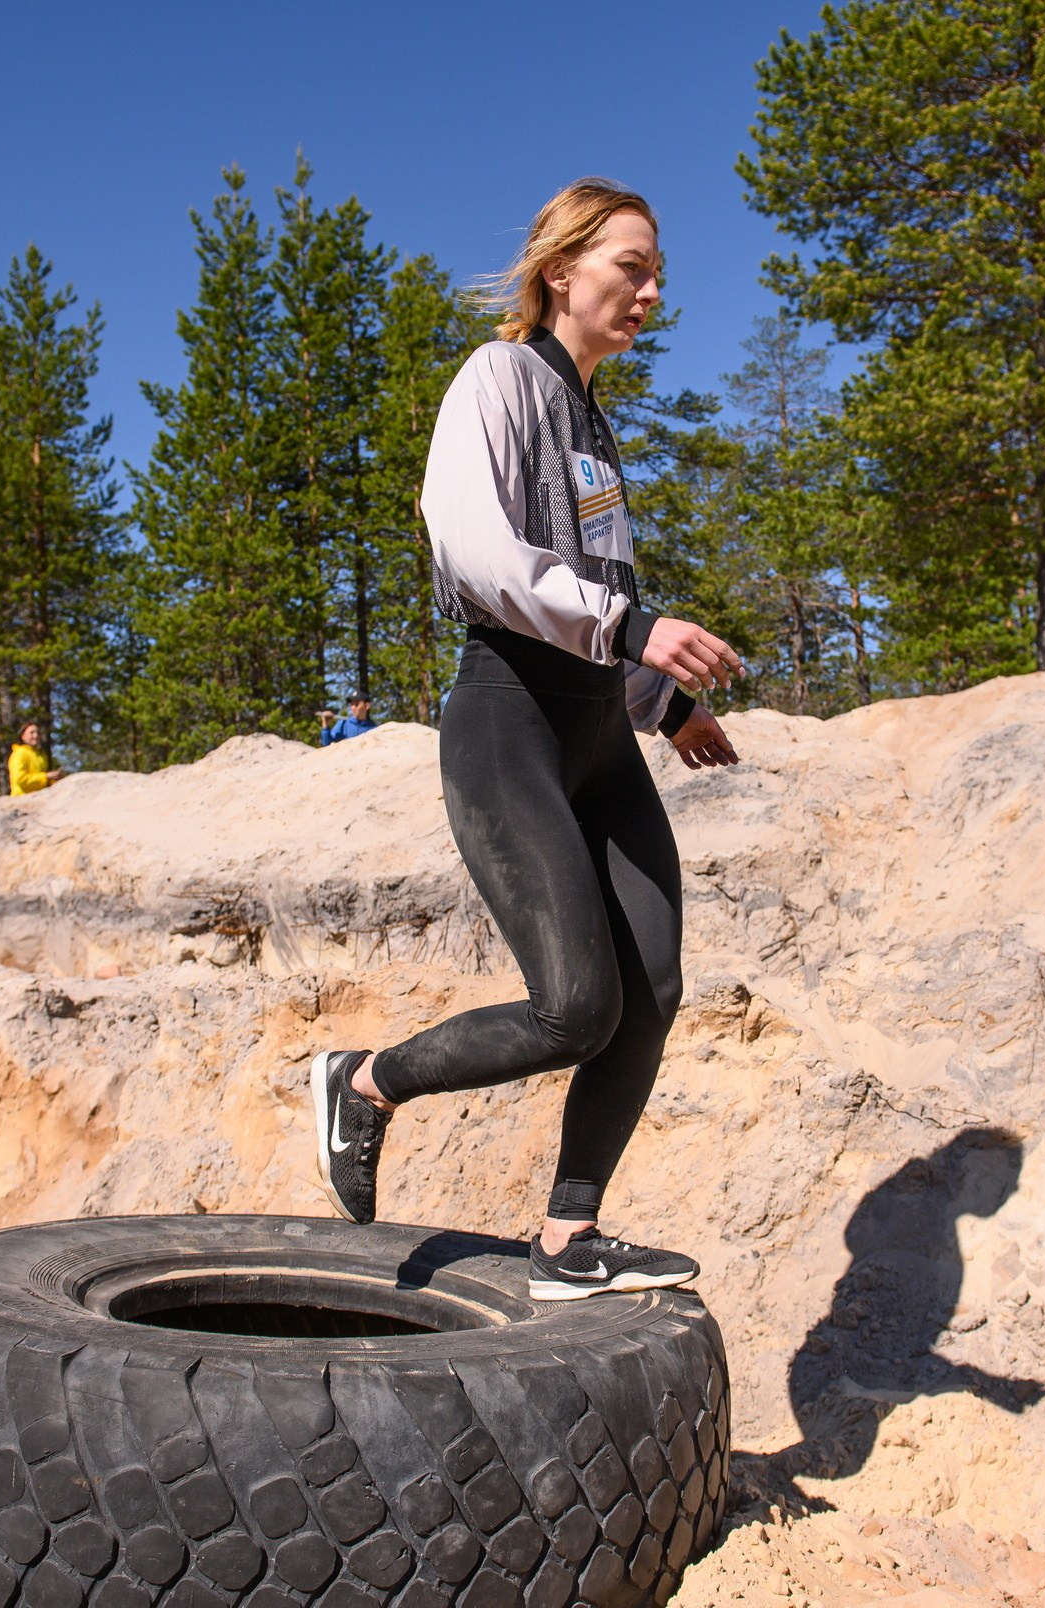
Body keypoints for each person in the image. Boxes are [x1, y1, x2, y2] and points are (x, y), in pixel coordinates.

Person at [308, 178, 743, 1302]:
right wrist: (637, 629)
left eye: (655, 275)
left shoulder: (595, 428)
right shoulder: (496, 378)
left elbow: (593, 589)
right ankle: (363, 1084)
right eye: (630, 268)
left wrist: (662, 705)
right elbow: (475, 552)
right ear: (561, 271)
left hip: (602, 731)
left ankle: (567, 1241)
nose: (650, 292)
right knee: (572, 1007)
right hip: (508, 722)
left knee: (648, 988)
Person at [7, 722, 63, 797]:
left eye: (38, 733)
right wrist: (46, 776)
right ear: (23, 736)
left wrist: (54, 778)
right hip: (21, 799)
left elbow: (44, 780)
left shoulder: (41, 755)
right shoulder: (19, 753)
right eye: (32, 732)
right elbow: (20, 779)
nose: (36, 735)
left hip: (39, 798)